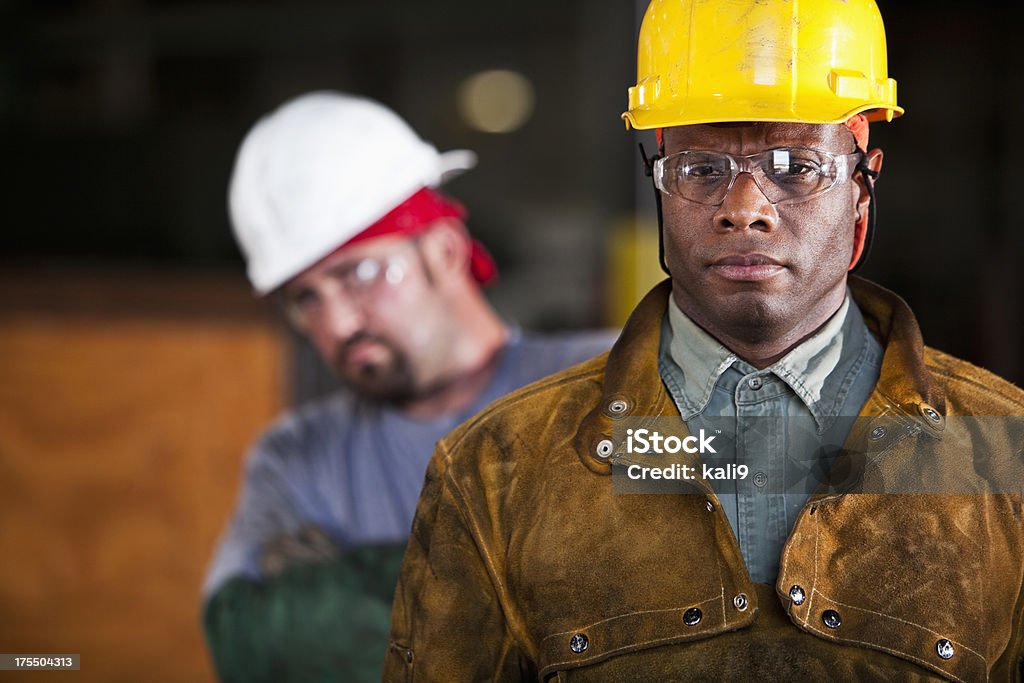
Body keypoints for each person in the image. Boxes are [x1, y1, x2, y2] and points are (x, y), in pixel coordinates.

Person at [384, 1, 1024, 680]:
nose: (744, 209)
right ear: (657, 181)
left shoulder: (1003, 451)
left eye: (795, 165)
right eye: (702, 169)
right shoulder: (494, 470)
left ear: (863, 189)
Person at [201, 91, 615, 682]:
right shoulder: (296, 457)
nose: (338, 323)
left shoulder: (615, 379)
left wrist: (369, 582)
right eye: (306, 299)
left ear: (444, 251)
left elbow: (700, 584)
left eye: (358, 274)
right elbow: (249, 637)